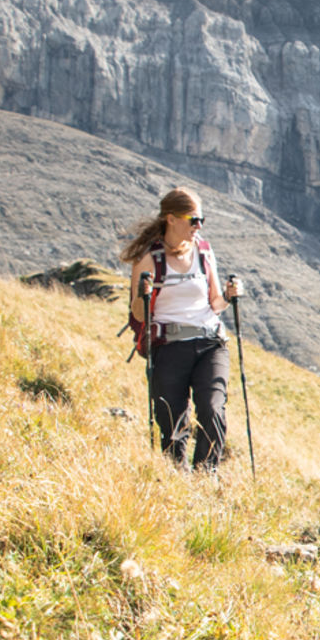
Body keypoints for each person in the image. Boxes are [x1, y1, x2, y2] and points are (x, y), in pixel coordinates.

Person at [121, 188, 243, 470]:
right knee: (172, 421)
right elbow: (139, 313)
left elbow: (214, 303)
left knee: (212, 408)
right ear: (171, 219)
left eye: (202, 220)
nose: (198, 226)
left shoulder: (204, 251)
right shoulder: (149, 258)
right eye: (193, 219)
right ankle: (177, 478)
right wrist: (144, 294)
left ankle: (205, 476)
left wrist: (229, 295)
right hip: (169, 346)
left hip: (210, 342)